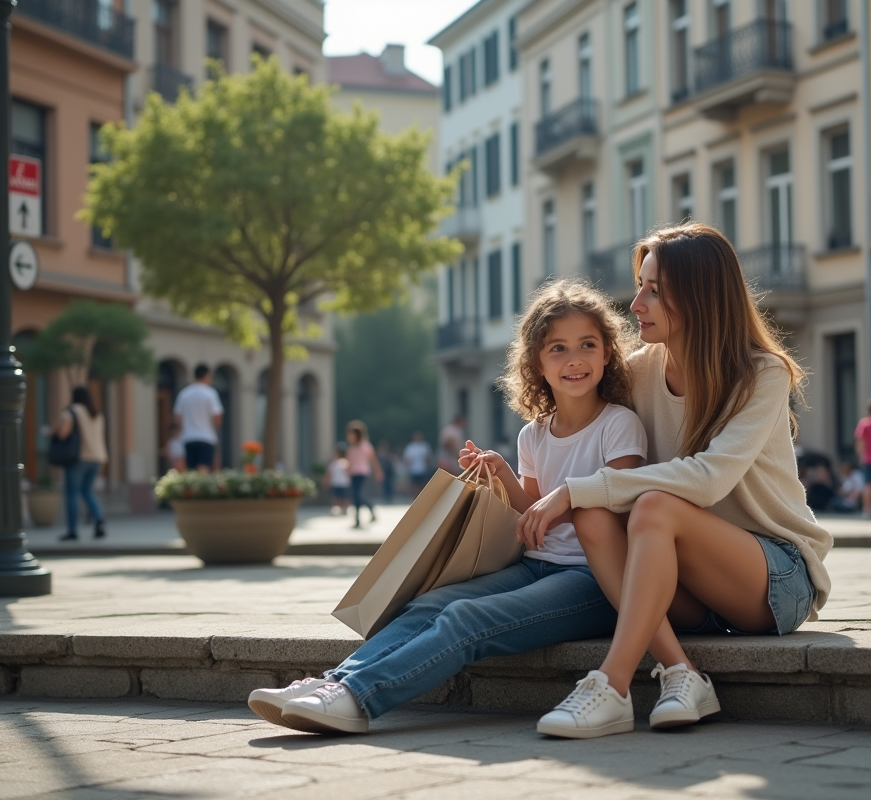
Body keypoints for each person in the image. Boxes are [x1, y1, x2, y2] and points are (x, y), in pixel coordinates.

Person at [246, 280, 645, 735]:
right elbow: (533, 512)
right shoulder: (534, 434)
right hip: (536, 565)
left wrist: (559, 501)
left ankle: (359, 698)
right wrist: (501, 476)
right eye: (558, 348)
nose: (574, 358)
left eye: (587, 345)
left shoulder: (619, 424)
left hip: (592, 579)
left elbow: (613, 507)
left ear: (608, 353)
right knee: (428, 603)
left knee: (465, 617)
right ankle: (334, 683)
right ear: (537, 362)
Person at [516, 224, 831, 739]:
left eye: (654, 290)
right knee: (597, 514)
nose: (636, 302)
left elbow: (707, 479)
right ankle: (683, 673)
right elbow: (577, 410)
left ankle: (612, 687)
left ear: (701, 295)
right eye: (641, 285)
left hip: (774, 578)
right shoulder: (640, 372)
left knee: (649, 505)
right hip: (686, 583)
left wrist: (572, 489)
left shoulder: (761, 373)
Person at [52, 386, 108, 541]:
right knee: (87, 491)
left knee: (72, 493)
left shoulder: (72, 411)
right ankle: (99, 520)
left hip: (79, 457)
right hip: (97, 458)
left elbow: (63, 434)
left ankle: (72, 530)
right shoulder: (96, 413)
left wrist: (53, 432)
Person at [173, 364, 223, 473]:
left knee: (191, 470)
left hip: (188, 437)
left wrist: (186, 428)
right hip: (206, 437)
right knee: (203, 469)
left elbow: (178, 417)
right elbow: (217, 418)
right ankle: (201, 490)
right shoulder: (210, 393)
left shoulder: (184, 393)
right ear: (206, 375)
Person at [345, 422, 383, 529]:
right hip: (353, 473)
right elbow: (349, 461)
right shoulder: (351, 448)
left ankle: (367, 511)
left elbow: (373, 460)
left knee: (358, 495)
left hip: (362, 473)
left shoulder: (365, 446)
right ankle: (358, 518)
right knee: (356, 496)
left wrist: (378, 472)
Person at [402, 431, 432, 496]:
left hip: (423, 469)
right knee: (414, 486)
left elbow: (428, 458)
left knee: (423, 486)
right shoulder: (410, 447)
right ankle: (415, 498)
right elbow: (406, 459)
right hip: (414, 470)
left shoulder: (424, 446)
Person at [323, 445, 350, 516]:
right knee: (335, 497)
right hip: (335, 483)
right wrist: (327, 481)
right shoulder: (333, 463)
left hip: (344, 483)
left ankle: (345, 508)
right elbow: (329, 474)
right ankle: (336, 508)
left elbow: (348, 472)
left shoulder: (345, 462)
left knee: (344, 497)